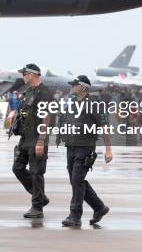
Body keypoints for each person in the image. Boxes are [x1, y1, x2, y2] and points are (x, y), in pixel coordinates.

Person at [59, 75, 113, 228]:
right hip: (71, 146)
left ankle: (75, 215)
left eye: (74, 85)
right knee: (76, 180)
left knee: (77, 179)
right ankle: (99, 207)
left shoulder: (94, 104)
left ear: (82, 87)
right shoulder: (73, 103)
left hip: (86, 147)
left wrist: (108, 149)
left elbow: (104, 126)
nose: (71, 87)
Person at [8, 64, 53, 219]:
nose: (23, 76)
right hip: (25, 138)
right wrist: (15, 114)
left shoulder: (44, 93)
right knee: (17, 168)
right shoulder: (28, 92)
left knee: (36, 173)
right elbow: (26, 111)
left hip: (37, 138)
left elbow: (47, 117)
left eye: (25, 73)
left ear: (33, 74)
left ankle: (37, 207)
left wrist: (41, 141)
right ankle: (40, 197)